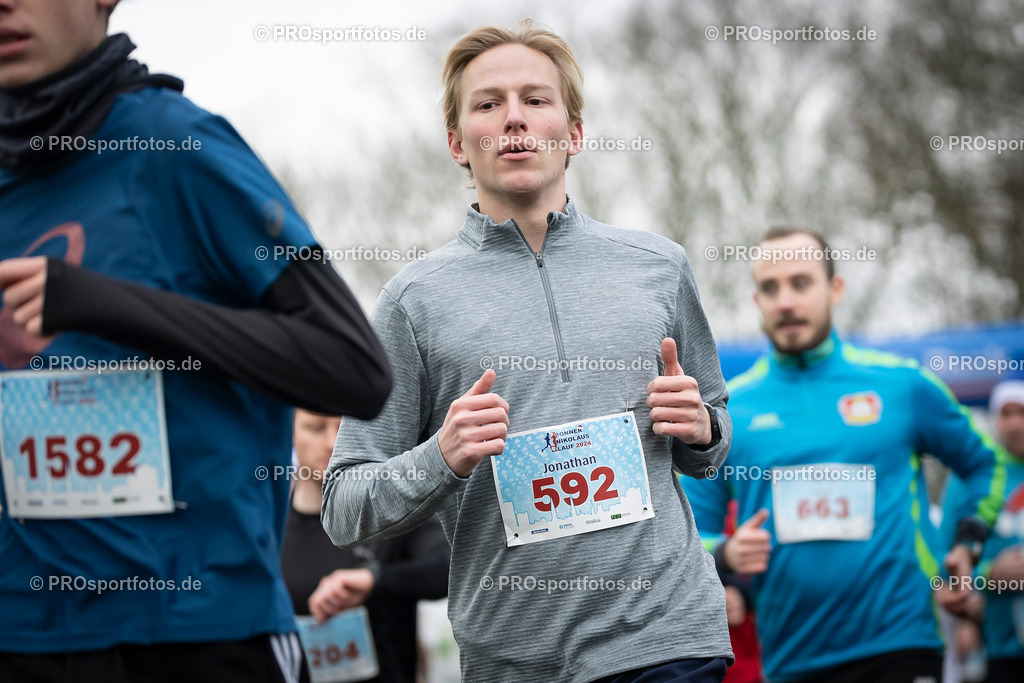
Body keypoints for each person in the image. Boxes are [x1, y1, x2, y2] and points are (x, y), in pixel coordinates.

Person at [322, 19, 733, 683]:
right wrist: (441, 456)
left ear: (573, 132)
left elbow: (712, 441)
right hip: (517, 662)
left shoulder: (659, 266)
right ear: (458, 142)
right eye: (488, 104)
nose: (514, 118)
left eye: (536, 100)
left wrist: (703, 425)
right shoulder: (411, 302)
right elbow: (344, 504)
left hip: (667, 639)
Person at [0, 1, 392, 681]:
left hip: (196, 632)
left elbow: (353, 366)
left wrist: (106, 303)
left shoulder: (174, 145)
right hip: (21, 633)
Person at [681, 226, 1006, 682]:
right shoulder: (730, 412)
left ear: (835, 289)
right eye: (770, 288)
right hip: (792, 660)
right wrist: (728, 553)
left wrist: (968, 541)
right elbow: (692, 535)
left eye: (801, 283)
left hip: (902, 643)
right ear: (756, 302)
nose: (786, 301)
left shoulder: (902, 385)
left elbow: (984, 463)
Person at [281, 409, 450, 683]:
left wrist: (376, 580)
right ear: (290, 434)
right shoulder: (268, 532)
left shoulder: (392, 516)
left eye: (344, 430)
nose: (331, 443)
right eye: (315, 428)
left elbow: (448, 566)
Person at [941, 379, 1024, 683]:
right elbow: (940, 562)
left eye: (1023, 413)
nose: (1015, 424)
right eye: (1006, 414)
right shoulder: (974, 478)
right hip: (996, 649)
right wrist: (987, 577)